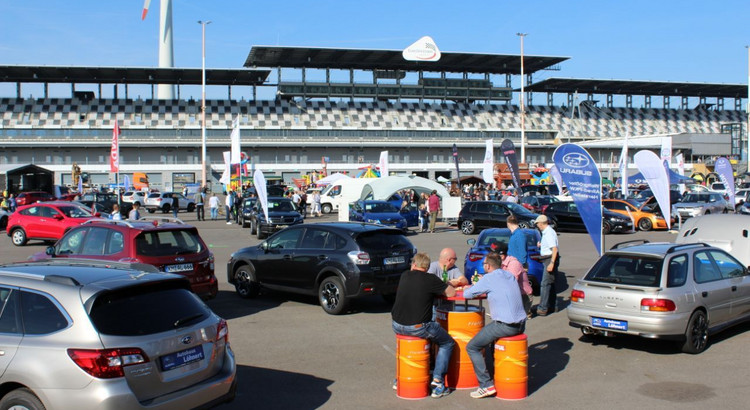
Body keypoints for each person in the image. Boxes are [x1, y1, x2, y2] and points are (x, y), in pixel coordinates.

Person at [391, 252, 456, 398]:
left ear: (414, 265)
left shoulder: (405, 275)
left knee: (428, 336)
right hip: (418, 327)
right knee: (447, 342)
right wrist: (445, 283)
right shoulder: (431, 279)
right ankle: (438, 381)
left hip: (397, 324)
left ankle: (400, 378)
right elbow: (451, 293)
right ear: (426, 267)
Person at [463, 252, 527, 399]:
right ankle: (493, 373)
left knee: (472, 347)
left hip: (505, 325)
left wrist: (475, 285)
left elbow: (468, 294)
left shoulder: (489, 278)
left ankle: (486, 385)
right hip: (521, 323)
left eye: (484, 263)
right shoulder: (508, 275)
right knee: (487, 339)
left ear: (488, 266)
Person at [493, 241, 533, 318]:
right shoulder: (500, 263)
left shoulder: (513, 264)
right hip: (513, 295)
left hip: (523, 297)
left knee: (516, 322)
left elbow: (510, 283)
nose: (489, 256)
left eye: (492, 255)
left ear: (501, 256)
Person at [534, 215, 559, 316]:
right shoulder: (547, 232)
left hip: (549, 259)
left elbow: (554, 249)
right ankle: (552, 305)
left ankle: (543, 308)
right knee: (550, 283)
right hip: (548, 258)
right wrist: (541, 245)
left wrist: (552, 263)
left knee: (545, 284)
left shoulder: (548, 233)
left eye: (537, 224)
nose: (537, 226)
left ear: (541, 223)